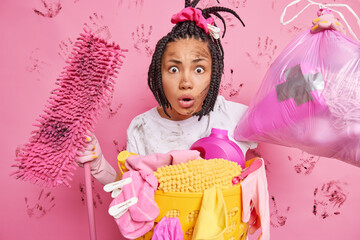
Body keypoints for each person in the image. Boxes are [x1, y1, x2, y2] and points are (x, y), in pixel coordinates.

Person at [77, 0, 343, 235]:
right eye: (173, 68)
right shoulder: (142, 127)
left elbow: (300, 95)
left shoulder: (234, 117)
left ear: (214, 75)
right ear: (158, 75)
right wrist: (99, 164)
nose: (186, 82)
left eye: (199, 69)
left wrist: (325, 46)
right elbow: (131, 195)